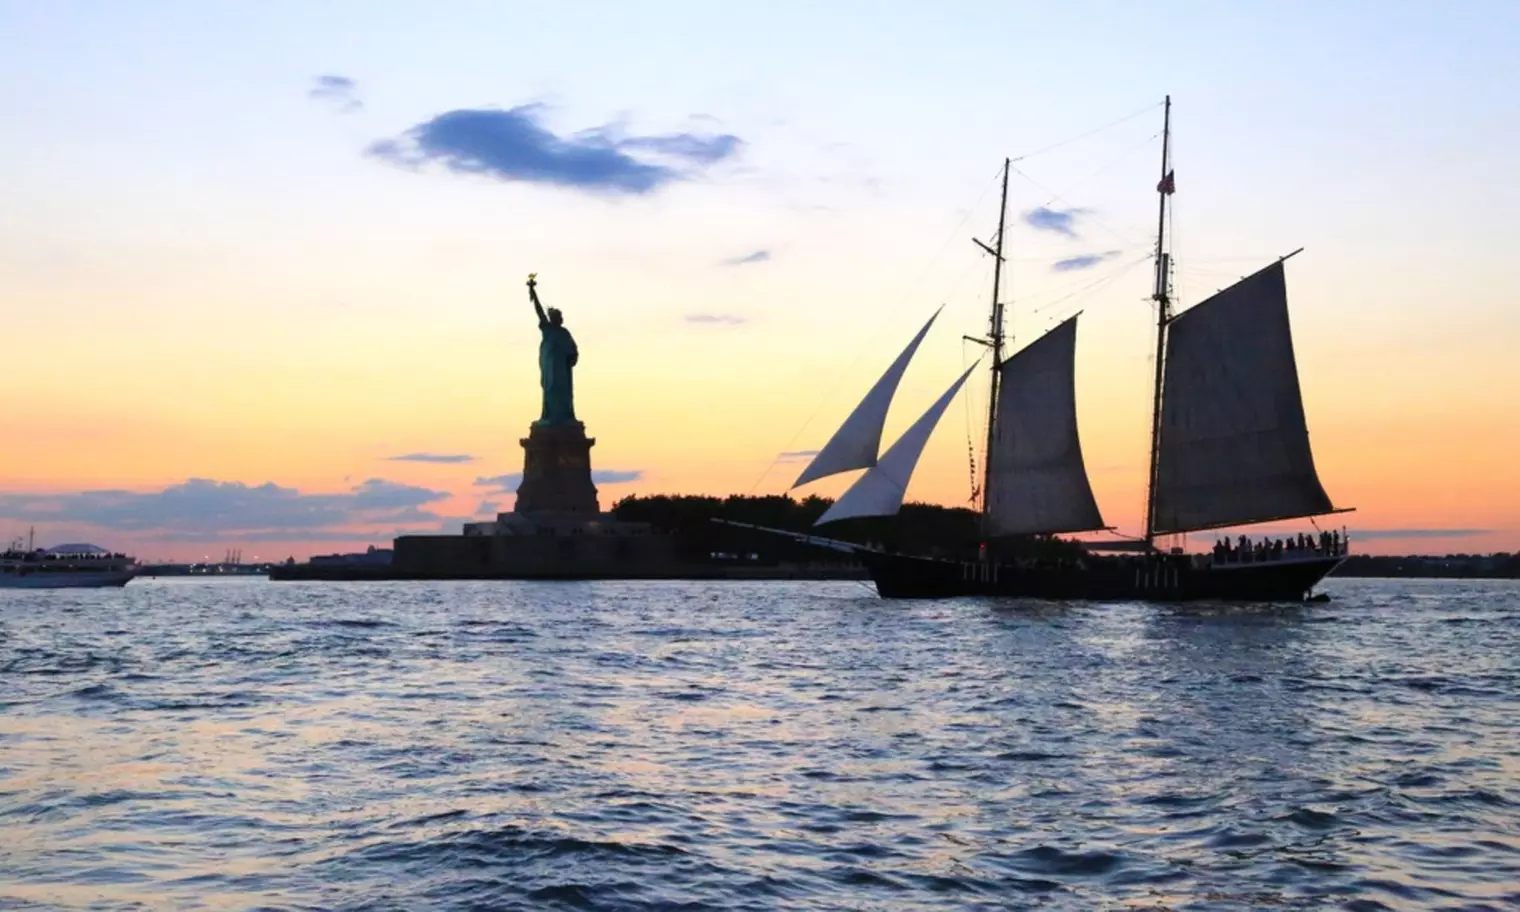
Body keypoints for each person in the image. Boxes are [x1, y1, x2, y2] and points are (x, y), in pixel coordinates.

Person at [527, 274, 579, 426]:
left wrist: (572, 357)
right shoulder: (547, 328)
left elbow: (573, 350)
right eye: (558, 316)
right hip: (551, 370)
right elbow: (539, 310)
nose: (560, 319)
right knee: (550, 394)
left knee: (564, 395)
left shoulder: (564, 333)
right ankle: (550, 417)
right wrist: (532, 291)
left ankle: (563, 417)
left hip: (562, 371)